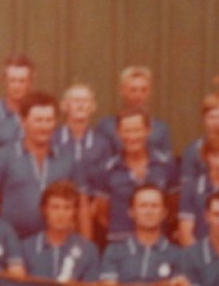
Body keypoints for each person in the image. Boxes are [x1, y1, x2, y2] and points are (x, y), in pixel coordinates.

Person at [0, 90, 89, 239]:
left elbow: (82, 206)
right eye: (38, 120)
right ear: (23, 121)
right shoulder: (2, 157)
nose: (44, 126)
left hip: (57, 244)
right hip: (14, 243)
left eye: (49, 120)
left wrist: (85, 245)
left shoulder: (68, 159)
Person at [91, 109, 179, 243]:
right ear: (118, 133)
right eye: (127, 131)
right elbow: (102, 214)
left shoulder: (166, 165)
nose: (132, 137)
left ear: (148, 131)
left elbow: (173, 207)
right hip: (120, 243)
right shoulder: (107, 169)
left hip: (157, 242)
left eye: (137, 130)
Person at [22, 181, 100, 282]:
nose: (61, 214)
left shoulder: (88, 251)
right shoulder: (26, 248)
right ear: (44, 210)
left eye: (67, 208)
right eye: (55, 207)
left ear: (74, 211)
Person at [96, 65, 173, 154]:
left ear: (150, 92)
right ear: (122, 91)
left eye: (143, 90)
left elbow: (166, 162)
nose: (138, 95)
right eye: (133, 90)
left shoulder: (161, 129)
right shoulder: (107, 126)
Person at [53, 83, 113, 194]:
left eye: (85, 101)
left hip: (92, 203)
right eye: (75, 101)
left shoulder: (102, 144)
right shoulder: (53, 139)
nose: (80, 105)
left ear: (93, 107)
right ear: (64, 106)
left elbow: (105, 181)